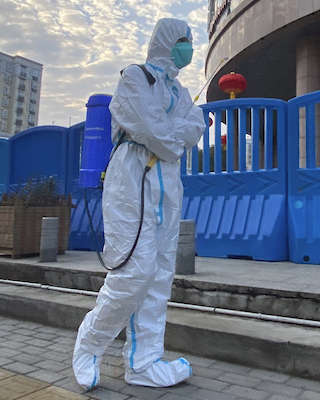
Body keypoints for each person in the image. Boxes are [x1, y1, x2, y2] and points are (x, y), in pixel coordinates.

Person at [72, 18, 205, 390]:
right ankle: (89, 345)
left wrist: (169, 133)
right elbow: (153, 132)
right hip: (131, 181)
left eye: (190, 41)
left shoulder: (180, 92)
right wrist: (173, 134)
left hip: (168, 185)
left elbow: (193, 128)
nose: (187, 47)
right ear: (164, 42)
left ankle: (143, 361)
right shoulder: (135, 78)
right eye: (182, 40)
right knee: (134, 272)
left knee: (161, 276)